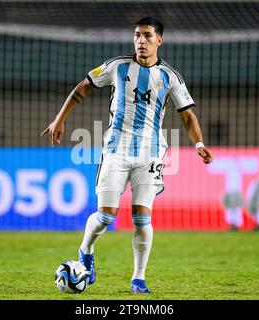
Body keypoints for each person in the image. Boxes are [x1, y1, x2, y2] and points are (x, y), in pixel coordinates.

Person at [42, 17, 213, 294]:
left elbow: (188, 116)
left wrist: (198, 144)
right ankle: (86, 250)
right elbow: (82, 87)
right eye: (137, 35)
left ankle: (138, 279)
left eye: (147, 36)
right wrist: (60, 120)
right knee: (107, 216)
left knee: (142, 217)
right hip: (116, 149)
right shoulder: (117, 66)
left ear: (159, 40)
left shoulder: (170, 77)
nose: (140, 41)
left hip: (151, 153)